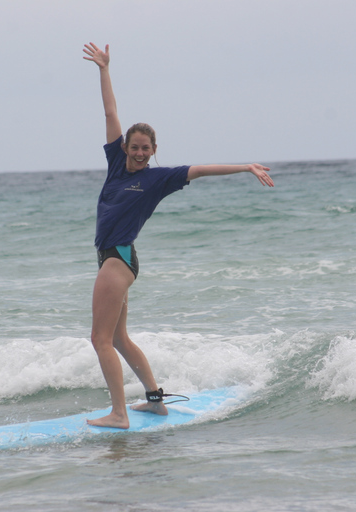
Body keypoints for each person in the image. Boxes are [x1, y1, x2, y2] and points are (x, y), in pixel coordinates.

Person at [83, 42, 274, 429]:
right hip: (116, 257)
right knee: (118, 338)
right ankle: (155, 401)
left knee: (99, 339)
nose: (139, 153)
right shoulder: (116, 166)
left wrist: (244, 168)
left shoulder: (158, 178)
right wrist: (104, 69)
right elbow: (110, 111)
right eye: (134, 147)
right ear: (125, 148)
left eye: (145, 148)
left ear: (154, 151)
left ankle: (119, 414)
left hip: (119, 258)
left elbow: (201, 170)